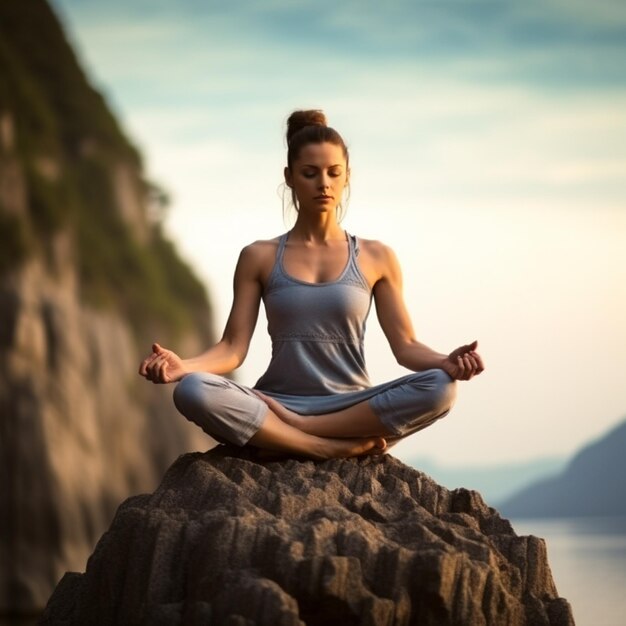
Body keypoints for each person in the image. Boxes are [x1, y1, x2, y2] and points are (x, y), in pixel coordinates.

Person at [139, 109, 484, 460]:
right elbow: (232, 348)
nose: (324, 184)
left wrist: (446, 361)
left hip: (351, 404)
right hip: (277, 401)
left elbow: (406, 345)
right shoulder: (258, 256)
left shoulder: (377, 256)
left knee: (441, 388)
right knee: (193, 390)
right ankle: (319, 446)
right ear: (289, 177)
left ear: (347, 176)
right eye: (310, 173)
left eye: (334, 173)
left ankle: (296, 433)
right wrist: (184, 366)